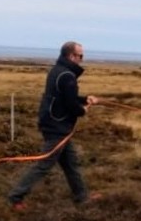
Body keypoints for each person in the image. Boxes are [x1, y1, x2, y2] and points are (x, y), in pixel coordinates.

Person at [7, 41, 100, 209]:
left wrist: (85, 99)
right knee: (44, 165)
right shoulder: (67, 76)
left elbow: (65, 97)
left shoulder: (57, 71)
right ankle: (15, 196)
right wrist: (83, 110)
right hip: (57, 127)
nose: (82, 59)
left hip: (55, 124)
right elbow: (71, 105)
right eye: (80, 56)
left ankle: (82, 197)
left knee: (70, 163)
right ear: (71, 56)